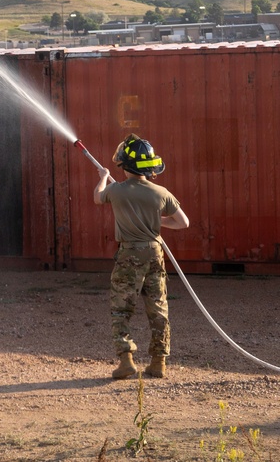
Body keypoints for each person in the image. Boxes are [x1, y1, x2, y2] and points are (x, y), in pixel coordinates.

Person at [94, 134, 189, 380]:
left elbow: (97, 196)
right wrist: (157, 221)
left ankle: (126, 361)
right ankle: (159, 363)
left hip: (129, 254)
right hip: (154, 251)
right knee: (157, 307)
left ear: (124, 165)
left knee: (121, 308)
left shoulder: (115, 190)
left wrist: (104, 177)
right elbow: (183, 222)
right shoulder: (161, 192)